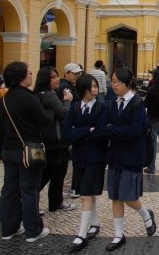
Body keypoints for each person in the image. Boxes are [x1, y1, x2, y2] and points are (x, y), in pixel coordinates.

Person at [0, 61, 53, 242]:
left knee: (9, 191)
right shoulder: (29, 97)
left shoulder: (3, 98)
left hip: (8, 149)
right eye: (29, 73)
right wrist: (54, 108)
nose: (31, 75)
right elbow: (45, 120)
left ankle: (8, 229)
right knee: (29, 190)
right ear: (21, 77)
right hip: (27, 150)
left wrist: (0, 152)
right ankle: (33, 231)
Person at [103, 67, 157, 251]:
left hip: (132, 156)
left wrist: (113, 130)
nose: (114, 85)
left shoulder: (136, 104)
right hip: (115, 155)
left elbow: (135, 131)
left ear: (128, 84)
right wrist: (115, 130)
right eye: (112, 81)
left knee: (128, 196)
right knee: (115, 196)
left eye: (117, 82)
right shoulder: (112, 103)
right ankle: (118, 235)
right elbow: (106, 126)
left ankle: (145, 214)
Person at [64, 74, 108, 253]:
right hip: (79, 156)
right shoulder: (74, 108)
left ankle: (81, 233)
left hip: (96, 156)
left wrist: (80, 133)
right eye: (92, 86)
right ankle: (95, 223)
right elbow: (67, 133)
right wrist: (86, 130)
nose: (95, 89)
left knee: (85, 195)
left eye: (96, 86)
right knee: (86, 192)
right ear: (83, 89)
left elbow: (101, 133)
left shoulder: (102, 107)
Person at [34, 67, 75, 213]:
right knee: (53, 173)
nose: (57, 79)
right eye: (53, 77)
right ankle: (52, 203)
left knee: (54, 173)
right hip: (56, 141)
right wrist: (67, 100)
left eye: (57, 76)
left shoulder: (41, 94)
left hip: (51, 140)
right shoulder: (48, 96)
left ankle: (54, 202)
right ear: (46, 80)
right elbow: (64, 113)